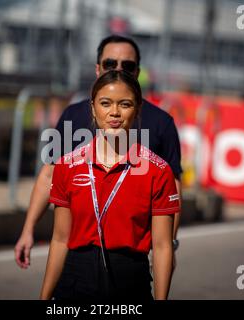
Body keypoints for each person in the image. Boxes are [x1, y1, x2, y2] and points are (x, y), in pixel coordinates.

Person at [15, 35, 182, 270]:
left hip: (130, 256)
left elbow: (172, 186)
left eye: (128, 65)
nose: (119, 69)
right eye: (110, 64)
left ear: (138, 71)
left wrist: (168, 243)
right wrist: (28, 230)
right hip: (76, 250)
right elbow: (48, 175)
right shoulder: (73, 115)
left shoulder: (161, 122)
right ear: (97, 69)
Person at [40, 70, 180, 300]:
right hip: (75, 279)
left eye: (125, 104)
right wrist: (44, 298)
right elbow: (60, 239)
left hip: (130, 280)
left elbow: (163, 246)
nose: (114, 112)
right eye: (105, 103)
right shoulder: (67, 165)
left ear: (137, 110)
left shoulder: (159, 170)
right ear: (93, 109)